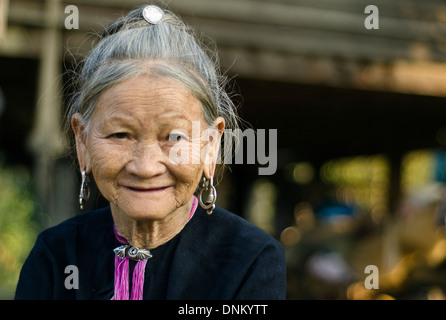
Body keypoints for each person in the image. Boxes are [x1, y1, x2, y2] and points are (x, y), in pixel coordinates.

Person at [15, 4, 286, 300]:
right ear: (82, 141)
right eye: (120, 134)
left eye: (174, 136)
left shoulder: (249, 260)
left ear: (210, 145)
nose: (145, 167)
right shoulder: (55, 257)